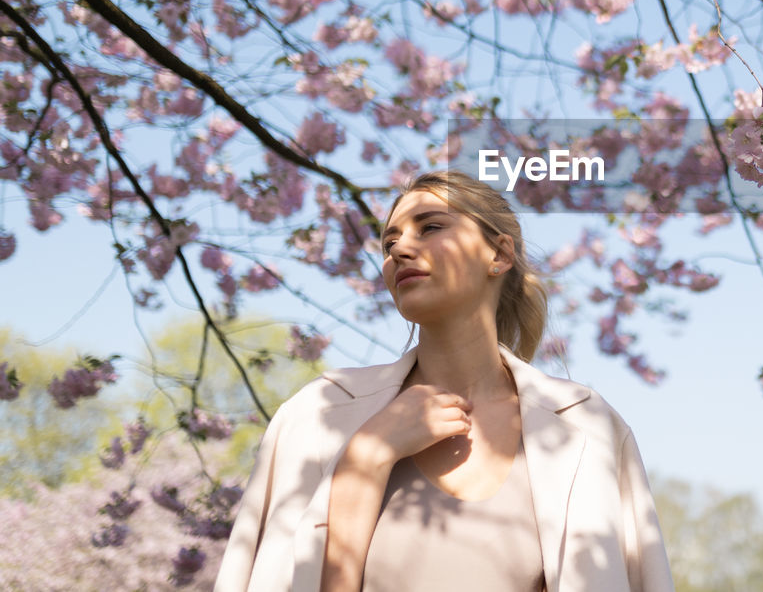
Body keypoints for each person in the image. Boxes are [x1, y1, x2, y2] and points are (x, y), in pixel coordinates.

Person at [214, 170, 674, 592]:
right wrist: (367, 455)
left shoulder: (585, 427)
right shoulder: (320, 415)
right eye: (389, 241)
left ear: (498, 253)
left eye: (430, 227)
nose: (399, 249)